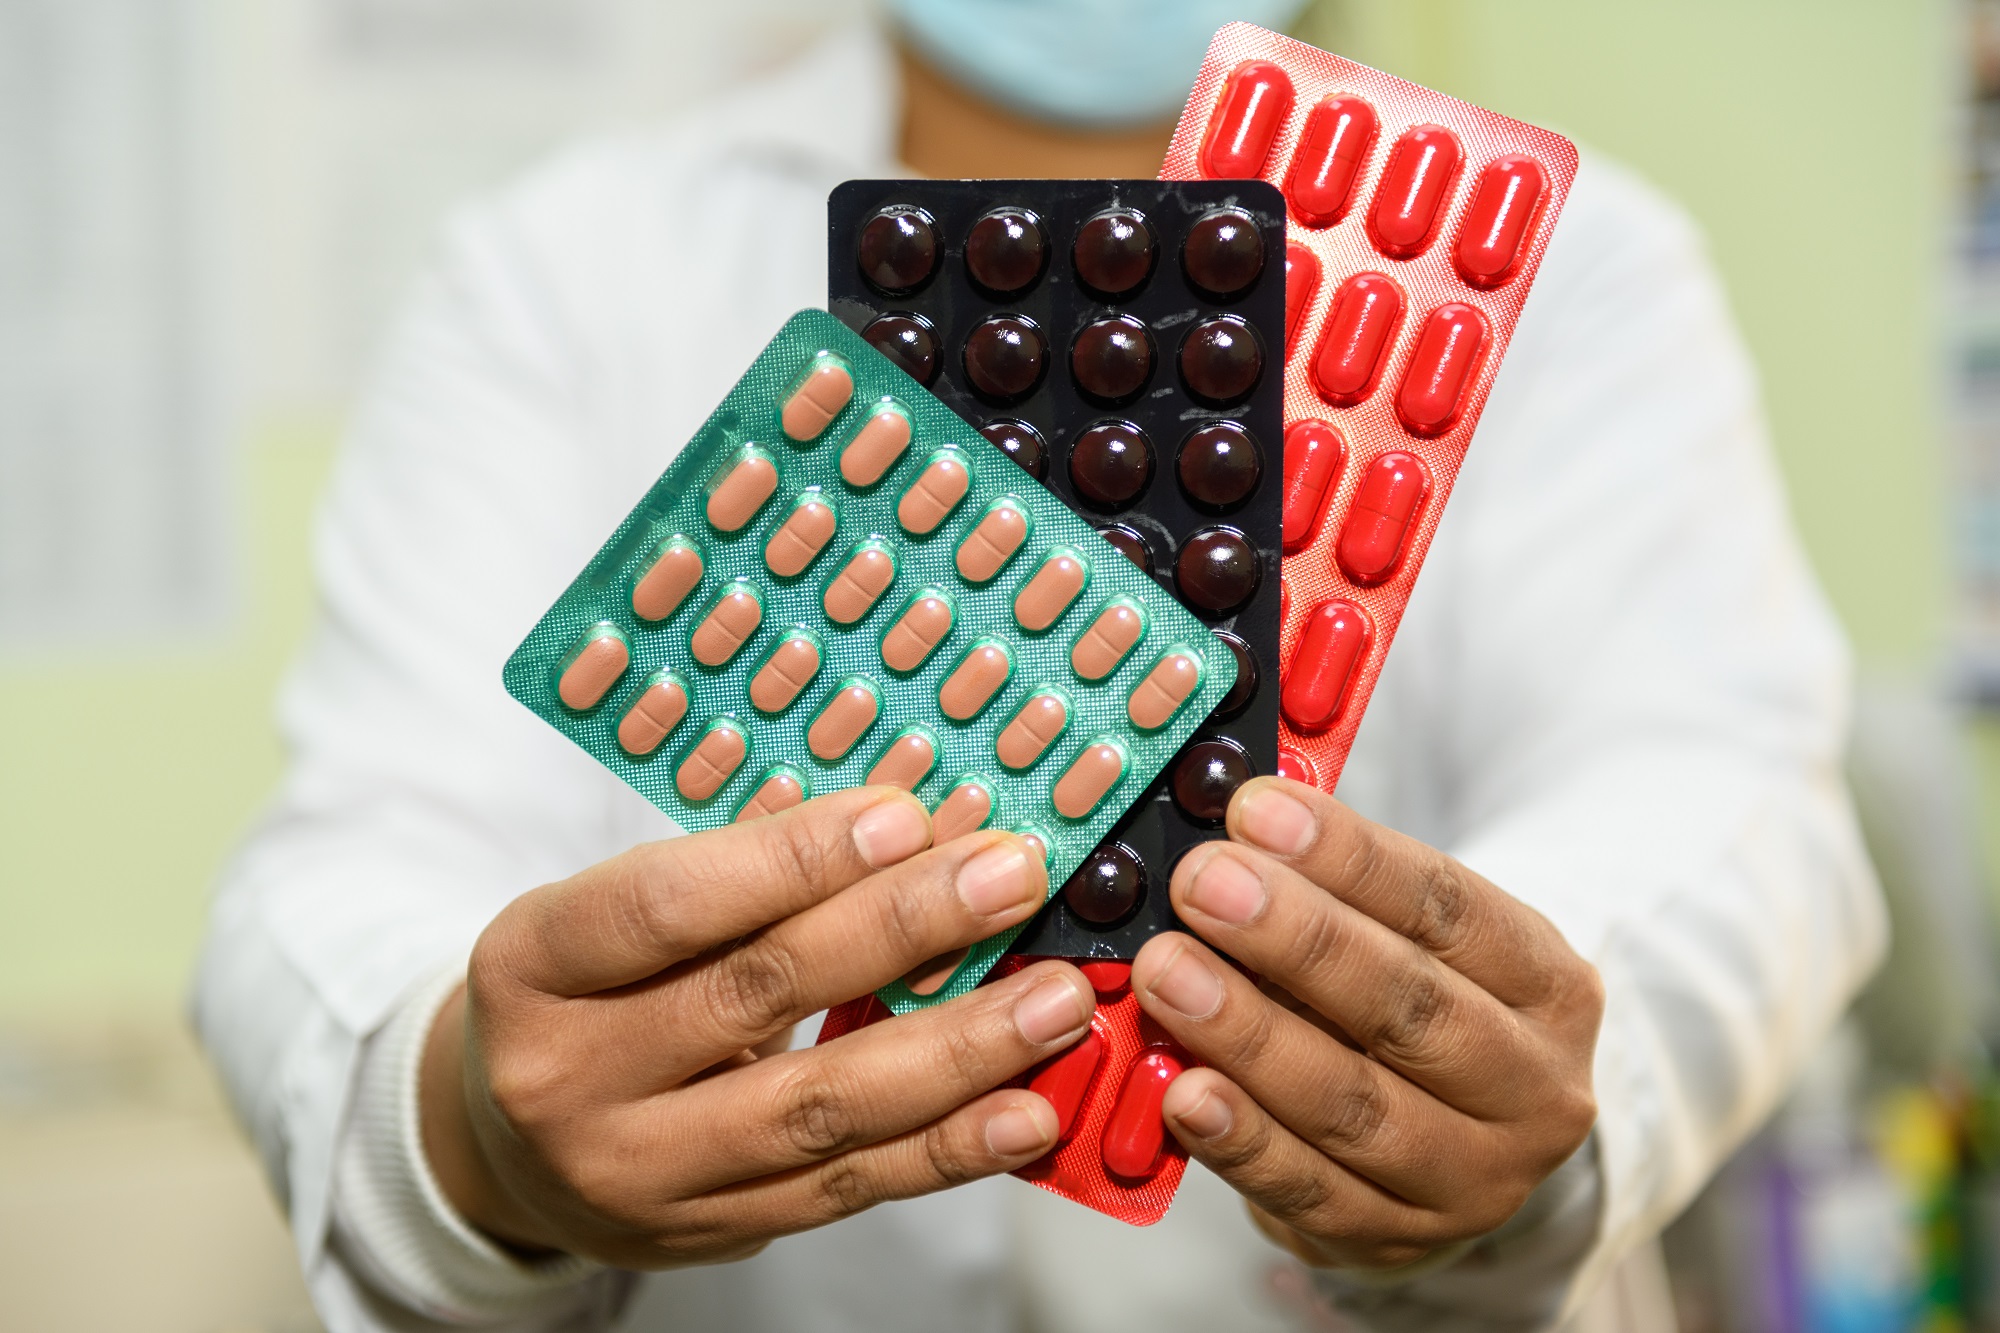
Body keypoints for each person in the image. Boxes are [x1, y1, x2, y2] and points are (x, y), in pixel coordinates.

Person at [194, 3, 1885, 1331]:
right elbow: (351, 857)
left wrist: (1499, 1071)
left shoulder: (1568, 274)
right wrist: (464, 1132)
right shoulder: (561, 271)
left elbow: (1728, 792)